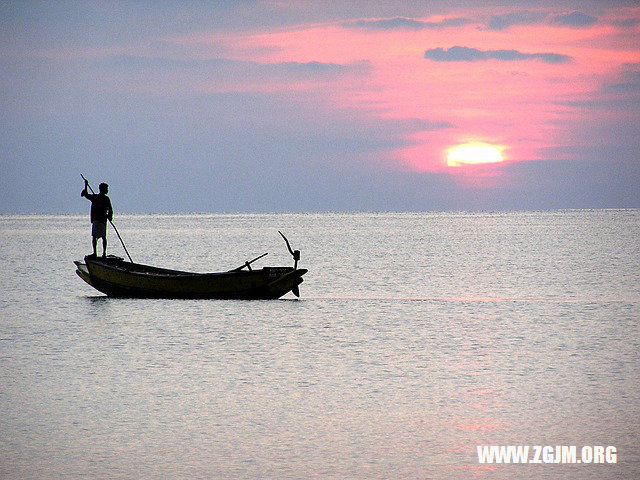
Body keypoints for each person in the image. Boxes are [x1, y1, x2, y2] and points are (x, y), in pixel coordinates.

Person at [81, 179, 113, 257]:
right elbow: (86, 195)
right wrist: (86, 185)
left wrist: (110, 216)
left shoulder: (105, 199)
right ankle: (96, 253)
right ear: (102, 189)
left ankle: (103, 253)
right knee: (97, 237)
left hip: (102, 221)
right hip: (97, 220)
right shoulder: (96, 197)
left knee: (103, 237)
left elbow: (110, 209)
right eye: (106, 189)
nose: (107, 190)